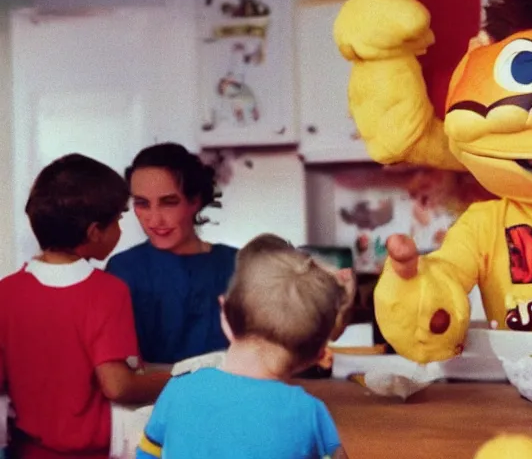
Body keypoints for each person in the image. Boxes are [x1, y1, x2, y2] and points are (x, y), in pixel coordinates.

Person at [0, 154, 170, 459]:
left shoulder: (6, 291)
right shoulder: (105, 290)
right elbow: (118, 385)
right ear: (94, 232)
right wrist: (179, 379)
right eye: (118, 219)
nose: (120, 227)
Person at [135, 233, 349, 459]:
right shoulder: (311, 414)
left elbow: (146, 454)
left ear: (224, 313)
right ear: (318, 355)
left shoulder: (177, 390)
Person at [106, 143, 238, 365]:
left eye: (169, 203)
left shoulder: (237, 265)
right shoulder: (123, 270)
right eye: (142, 204)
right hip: (148, 398)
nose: (155, 220)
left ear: (194, 201)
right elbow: (124, 368)